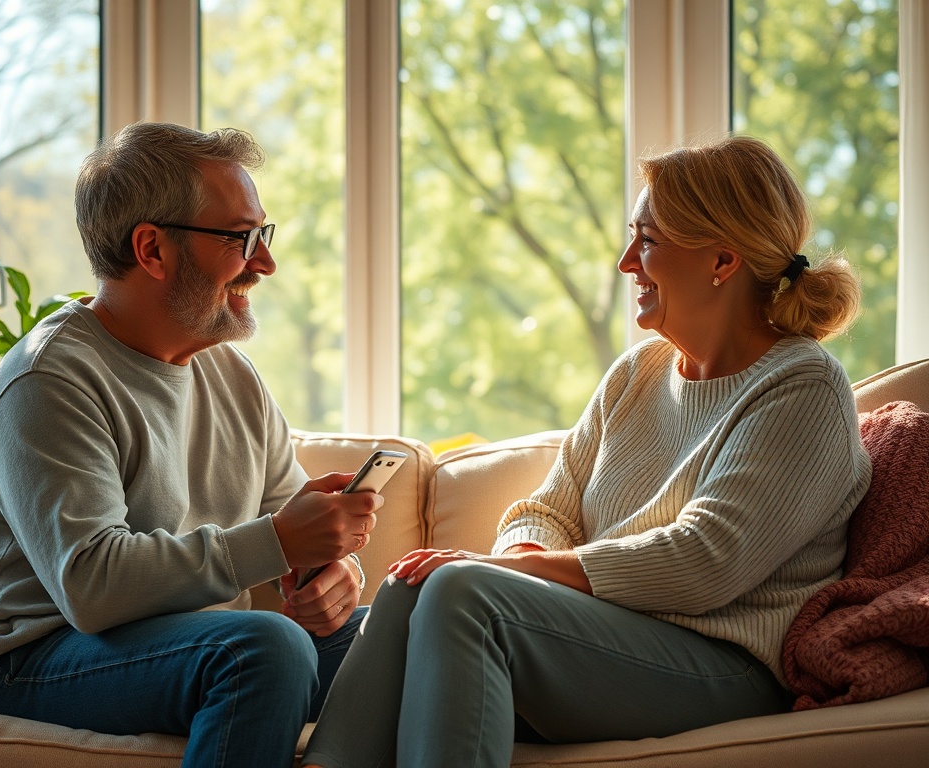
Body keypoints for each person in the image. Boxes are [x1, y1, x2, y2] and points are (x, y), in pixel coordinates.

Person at [301, 134, 873, 768]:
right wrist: (521, 557)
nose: (627, 262)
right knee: (414, 581)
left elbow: (706, 561)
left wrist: (513, 575)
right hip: (602, 640)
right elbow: (545, 509)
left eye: (647, 240)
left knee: (462, 589)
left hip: (724, 665)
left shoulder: (803, 387)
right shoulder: (637, 374)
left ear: (722, 259)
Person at [0, 122, 380, 768]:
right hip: (28, 654)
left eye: (264, 234)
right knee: (264, 648)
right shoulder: (49, 377)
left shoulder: (232, 375)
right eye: (241, 238)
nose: (265, 262)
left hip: (178, 641)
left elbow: (287, 525)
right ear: (152, 249)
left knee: (405, 632)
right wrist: (281, 541)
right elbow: (90, 584)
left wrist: (334, 571)